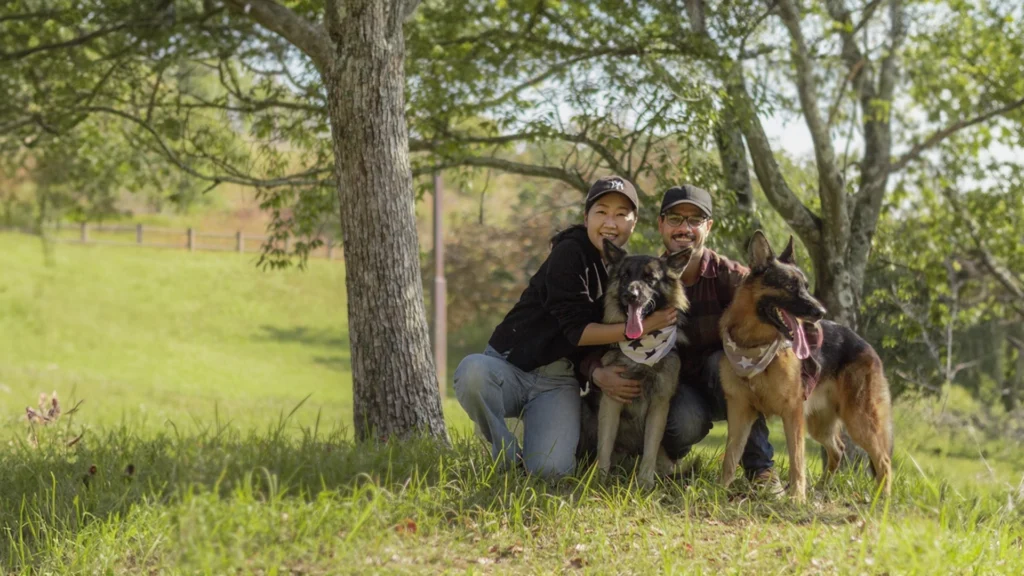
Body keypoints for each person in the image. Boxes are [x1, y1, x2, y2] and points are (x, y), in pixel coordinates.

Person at [453, 176, 677, 477]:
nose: (610, 222)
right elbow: (577, 332)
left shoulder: (621, 270)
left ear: (633, 223)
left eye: (621, 214)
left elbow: (598, 346)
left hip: (558, 381)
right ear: (586, 217)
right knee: (472, 374)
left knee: (552, 471)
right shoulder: (569, 252)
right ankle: (505, 456)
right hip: (512, 366)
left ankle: (531, 455)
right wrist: (647, 326)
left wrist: (596, 371)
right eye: (601, 212)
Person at [584, 184, 780, 490]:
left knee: (721, 365)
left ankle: (761, 471)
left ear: (708, 227)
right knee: (680, 423)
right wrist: (597, 370)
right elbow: (598, 331)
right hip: (680, 390)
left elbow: (780, 312)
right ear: (661, 224)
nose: (684, 228)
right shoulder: (644, 272)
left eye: (694, 221)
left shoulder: (732, 277)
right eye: (675, 219)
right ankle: (650, 464)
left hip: (723, 382)